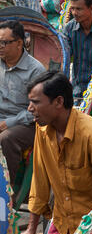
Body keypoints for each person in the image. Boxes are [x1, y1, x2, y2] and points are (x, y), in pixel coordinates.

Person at [19, 72, 92, 234]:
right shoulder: (42, 129)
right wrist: (31, 230)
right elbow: (39, 182)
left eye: (36, 102)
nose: (30, 108)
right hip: (61, 223)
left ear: (58, 102)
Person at [0, 20, 45, 186]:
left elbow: (37, 110)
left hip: (27, 124)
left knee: (6, 138)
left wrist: (7, 123)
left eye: (4, 43)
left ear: (19, 43)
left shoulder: (35, 70)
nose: (0, 46)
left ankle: (6, 192)